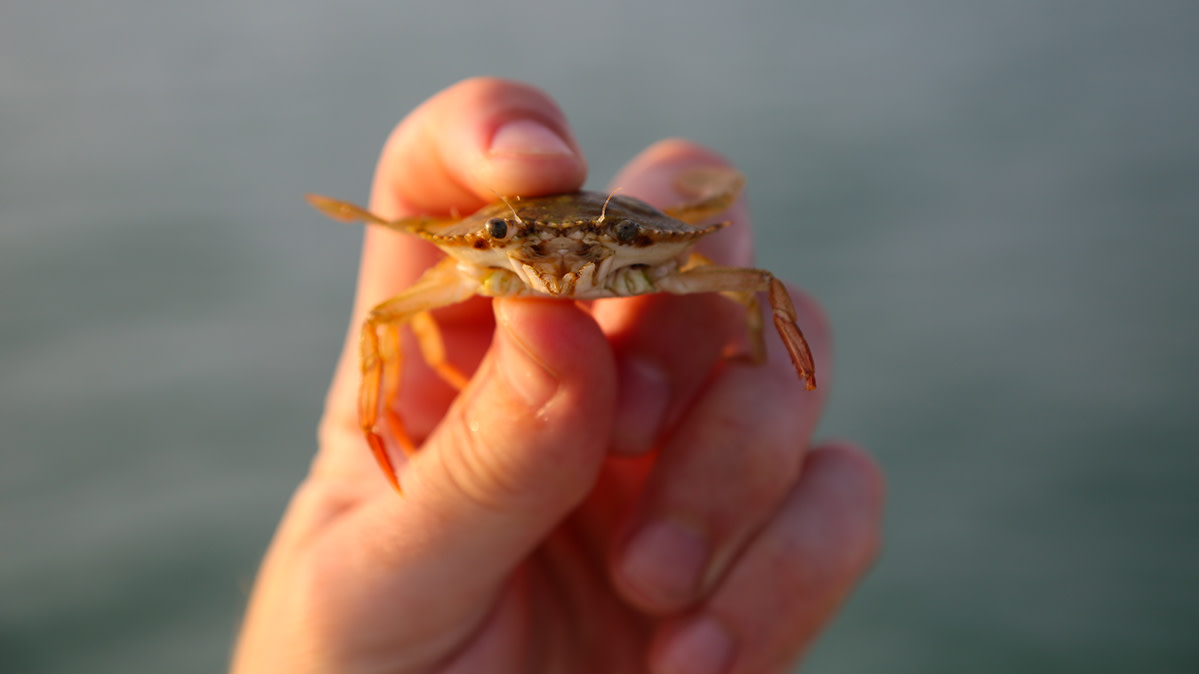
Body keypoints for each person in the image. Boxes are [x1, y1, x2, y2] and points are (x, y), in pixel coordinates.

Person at [230, 77, 885, 674]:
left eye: (601, 244)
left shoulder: (624, 258)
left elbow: (755, 287)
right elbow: (388, 320)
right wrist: (422, 373)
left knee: (750, 289)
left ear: (640, 238)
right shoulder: (468, 262)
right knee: (388, 319)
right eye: (529, 244)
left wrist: (763, 336)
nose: (562, 265)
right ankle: (386, 429)